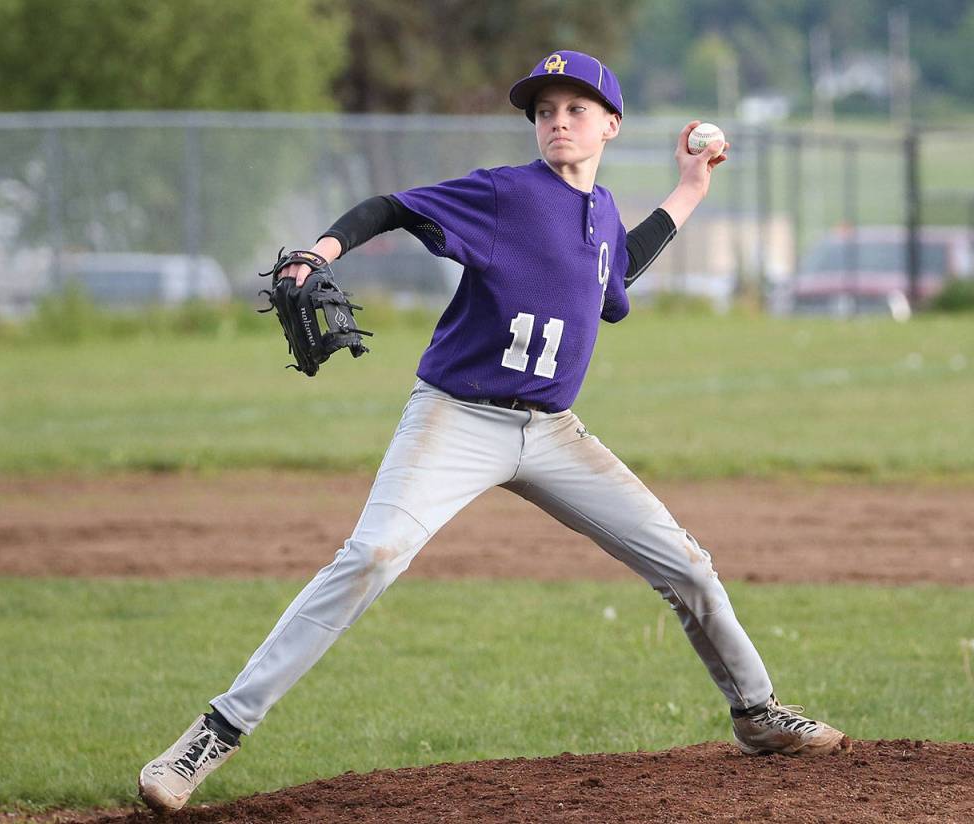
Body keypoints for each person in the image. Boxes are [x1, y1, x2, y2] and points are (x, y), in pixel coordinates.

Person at [137, 50, 849, 813]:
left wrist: (691, 188)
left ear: (610, 125)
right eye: (544, 111)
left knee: (688, 566)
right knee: (372, 555)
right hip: (457, 416)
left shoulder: (602, 212)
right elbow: (392, 206)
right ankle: (213, 734)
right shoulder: (506, 194)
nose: (557, 121)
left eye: (574, 109)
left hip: (553, 433)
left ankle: (756, 713)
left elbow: (617, 273)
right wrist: (322, 250)